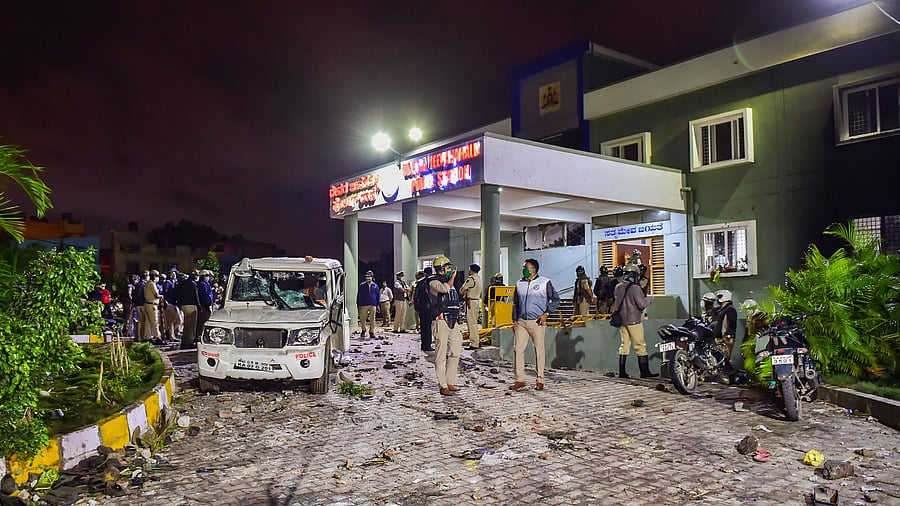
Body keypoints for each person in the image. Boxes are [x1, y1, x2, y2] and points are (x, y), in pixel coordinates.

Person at [510, 258, 560, 391]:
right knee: (518, 350)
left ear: (533, 269)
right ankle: (520, 379)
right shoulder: (519, 283)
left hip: (537, 322)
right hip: (522, 322)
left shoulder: (545, 283)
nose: (524, 270)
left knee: (539, 350)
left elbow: (556, 299)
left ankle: (540, 379)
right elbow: (515, 303)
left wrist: (546, 313)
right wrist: (514, 320)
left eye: (526, 267)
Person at [611, 264, 655, 378]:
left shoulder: (618, 287)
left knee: (624, 345)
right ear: (635, 275)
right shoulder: (635, 288)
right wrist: (649, 299)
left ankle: (622, 372)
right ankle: (644, 372)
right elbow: (641, 305)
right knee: (640, 346)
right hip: (634, 320)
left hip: (622, 321)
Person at [428, 256, 463, 396]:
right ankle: (442, 385)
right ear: (441, 269)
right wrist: (452, 278)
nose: (450, 270)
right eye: (448, 268)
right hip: (440, 321)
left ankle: (449, 381)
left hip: (453, 321)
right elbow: (444, 289)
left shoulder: (450, 283)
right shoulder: (433, 282)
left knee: (456, 350)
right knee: (441, 355)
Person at [174, 270, 200, 349]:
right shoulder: (193, 284)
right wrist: (199, 306)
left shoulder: (182, 283)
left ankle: (184, 341)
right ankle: (189, 342)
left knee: (186, 325)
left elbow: (177, 294)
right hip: (191, 305)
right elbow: (196, 296)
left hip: (183, 306)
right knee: (191, 326)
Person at [714, 289, 738, 373]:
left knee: (725, 358)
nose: (718, 299)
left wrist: (728, 335)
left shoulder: (730, 309)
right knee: (721, 358)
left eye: (719, 297)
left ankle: (729, 375)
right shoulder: (723, 309)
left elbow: (731, 324)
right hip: (721, 337)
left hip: (725, 338)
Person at [459, 263, 483, 349]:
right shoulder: (479, 278)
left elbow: (461, 291)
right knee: (475, 323)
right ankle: (477, 340)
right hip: (476, 301)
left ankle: (474, 343)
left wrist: (465, 291)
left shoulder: (471, 279)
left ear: (471, 270)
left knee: (471, 323)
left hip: (470, 302)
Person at [416, 267, 435, 351]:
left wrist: (417, 307)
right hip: (430, 307)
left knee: (423, 326)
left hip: (421, 307)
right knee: (428, 327)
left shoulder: (420, 283)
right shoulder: (432, 282)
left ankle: (424, 344)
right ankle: (428, 345)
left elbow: (416, 296)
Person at [357, 270, 379, 339]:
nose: (368, 278)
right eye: (367, 277)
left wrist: (377, 304)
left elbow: (378, 295)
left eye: (369, 277)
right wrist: (358, 304)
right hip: (364, 304)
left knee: (373, 318)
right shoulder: (362, 285)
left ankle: (371, 332)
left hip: (373, 304)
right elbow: (359, 295)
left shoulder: (375, 286)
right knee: (362, 318)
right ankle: (363, 330)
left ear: (372, 277)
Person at [143, 270, 162, 343]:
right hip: (152, 305)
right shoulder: (152, 284)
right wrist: (161, 296)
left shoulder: (147, 284)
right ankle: (157, 337)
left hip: (147, 304)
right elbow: (156, 295)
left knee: (148, 322)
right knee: (155, 322)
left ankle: (147, 337)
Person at [197, 270, 214, 342]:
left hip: (208, 305)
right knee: (202, 322)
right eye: (206, 276)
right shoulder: (202, 284)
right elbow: (204, 296)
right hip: (204, 306)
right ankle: (199, 336)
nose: (208, 277)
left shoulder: (207, 284)